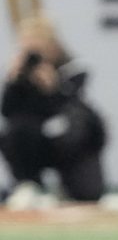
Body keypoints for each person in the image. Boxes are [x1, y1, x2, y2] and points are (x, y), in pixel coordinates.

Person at [0, 14, 107, 209]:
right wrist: (12, 82)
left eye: (38, 41)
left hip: (70, 145)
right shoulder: (19, 74)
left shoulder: (72, 69)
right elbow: (7, 112)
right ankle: (27, 183)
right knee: (18, 128)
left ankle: (68, 186)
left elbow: (77, 112)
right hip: (33, 142)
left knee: (88, 195)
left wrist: (54, 88)